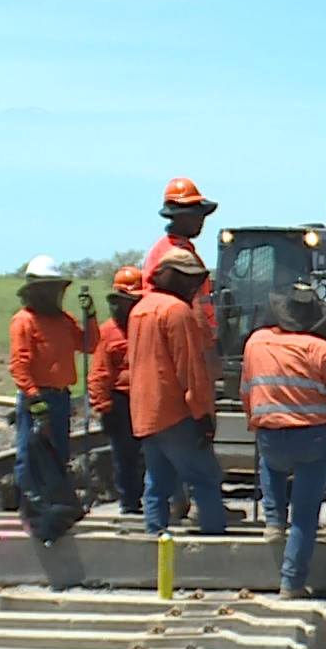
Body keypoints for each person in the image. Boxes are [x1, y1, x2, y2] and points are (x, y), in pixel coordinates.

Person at [243, 282, 326, 599]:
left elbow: (247, 391)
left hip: (270, 434)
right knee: (305, 516)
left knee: (271, 467)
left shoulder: (256, 343)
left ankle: (273, 520)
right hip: (314, 438)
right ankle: (292, 584)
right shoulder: (321, 350)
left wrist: (256, 422)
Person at [128, 247, 227, 534]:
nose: (193, 287)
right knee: (205, 479)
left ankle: (155, 538)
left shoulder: (139, 310)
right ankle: (213, 542)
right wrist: (203, 414)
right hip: (177, 413)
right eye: (189, 280)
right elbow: (190, 369)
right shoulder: (177, 311)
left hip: (145, 413)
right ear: (172, 278)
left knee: (157, 482)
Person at [8, 255, 97, 498]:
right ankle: (31, 502)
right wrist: (34, 398)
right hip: (37, 399)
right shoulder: (24, 321)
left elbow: (89, 344)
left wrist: (90, 316)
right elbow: (19, 365)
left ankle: (55, 500)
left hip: (61, 397)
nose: (52, 293)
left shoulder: (64, 320)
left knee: (59, 452)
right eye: (47, 288)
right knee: (30, 452)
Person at [88, 265, 147, 514]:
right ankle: (130, 503)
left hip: (149, 398)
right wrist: (103, 406)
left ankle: (156, 502)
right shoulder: (108, 331)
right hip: (122, 401)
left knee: (153, 454)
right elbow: (100, 372)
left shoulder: (148, 325)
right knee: (125, 455)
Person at [141, 177, 219, 339]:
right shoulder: (178, 256)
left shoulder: (165, 247)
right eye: (197, 216)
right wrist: (206, 343)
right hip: (184, 334)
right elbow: (194, 303)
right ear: (181, 217)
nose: (201, 221)